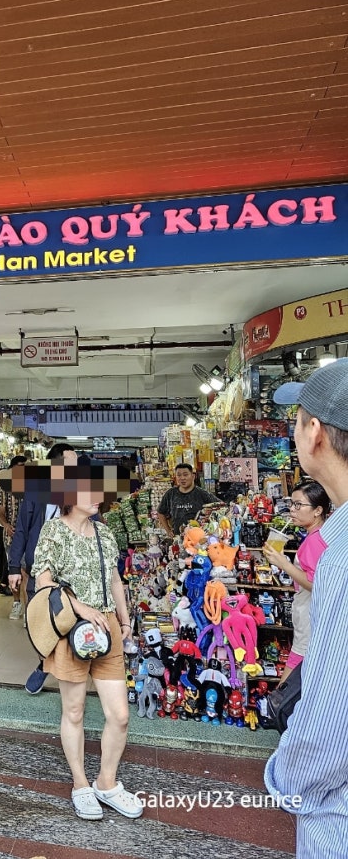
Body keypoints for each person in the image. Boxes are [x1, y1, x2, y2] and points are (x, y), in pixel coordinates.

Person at [264, 359, 348, 858]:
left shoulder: (341, 554)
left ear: (314, 432)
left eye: (295, 422)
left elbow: (333, 710)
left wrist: (286, 776)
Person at [33, 478, 142, 821]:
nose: (98, 497)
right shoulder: (54, 531)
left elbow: (115, 580)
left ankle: (106, 783)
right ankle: (80, 783)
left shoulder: (104, 534)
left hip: (107, 628)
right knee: (74, 710)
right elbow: (43, 581)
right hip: (73, 629)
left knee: (120, 715)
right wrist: (80, 607)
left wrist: (125, 621)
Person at [8, 443, 78, 694]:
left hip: (70, 570)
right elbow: (21, 530)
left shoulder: (80, 494)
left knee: (69, 618)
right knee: (40, 622)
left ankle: (56, 667)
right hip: (38, 568)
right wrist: (14, 566)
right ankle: (45, 663)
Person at [263, 479, 329, 683]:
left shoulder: (315, 541)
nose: (292, 509)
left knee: (286, 688)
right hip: (312, 620)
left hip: (310, 622)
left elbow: (317, 584)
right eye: (292, 504)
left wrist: (284, 564)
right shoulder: (319, 536)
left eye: (299, 505)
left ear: (317, 510)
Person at [0, 455, 28, 618]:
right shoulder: (5, 488)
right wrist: (6, 525)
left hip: (29, 537)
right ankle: (17, 603)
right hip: (12, 537)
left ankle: (28, 608)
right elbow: (1, 511)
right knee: (14, 570)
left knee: (26, 572)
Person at [156, 463, 219, 537]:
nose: (182, 478)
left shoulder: (202, 493)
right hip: (178, 538)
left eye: (185, 475)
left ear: (193, 476)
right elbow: (160, 512)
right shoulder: (171, 493)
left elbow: (221, 506)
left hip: (198, 538)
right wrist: (168, 530)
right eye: (179, 475)